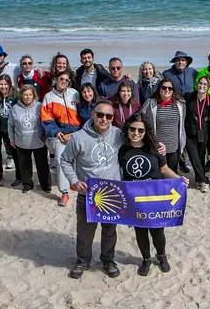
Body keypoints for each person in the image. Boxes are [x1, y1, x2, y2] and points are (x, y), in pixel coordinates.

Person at [59, 100, 126, 279]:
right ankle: (83, 261)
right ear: (93, 115)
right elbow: (65, 160)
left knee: (109, 231)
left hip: (111, 193)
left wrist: (159, 147)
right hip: (88, 194)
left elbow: (139, 141)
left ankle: (108, 260)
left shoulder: (119, 135)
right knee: (85, 232)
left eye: (109, 116)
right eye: (100, 115)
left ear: (113, 118)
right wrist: (74, 181)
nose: (104, 119)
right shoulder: (79, 138)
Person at [119, 113, 188, 276]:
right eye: (133, 129)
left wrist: (179, 180)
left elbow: (164, 169)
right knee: (140, 232)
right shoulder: (122, 150)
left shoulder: (154, 147)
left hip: (155, 199)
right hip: (135, 200)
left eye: (140, 131)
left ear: (146, 132)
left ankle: (161, 255)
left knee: (157, 232)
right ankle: (146, 259)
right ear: (128, 129)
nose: (136, 133)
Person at [41, 71, 82, 206]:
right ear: (56, 80)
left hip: (76, 133)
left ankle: (74, 183)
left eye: (66, 80)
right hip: (60, 135)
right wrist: (56, 132)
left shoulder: (74, 93)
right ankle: (64, 193)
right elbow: (46, 118)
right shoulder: (49, 97)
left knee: (78, 160)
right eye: (61, 79)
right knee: (60, 161)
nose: (64, 81)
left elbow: (83, 112)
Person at [8, 85, 50, 194]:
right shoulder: (15, 108)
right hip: (22, 142)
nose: (27, 97)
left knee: (42, 165)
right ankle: (27, 184)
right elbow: (10, 125)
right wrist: (11, 139)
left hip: (39, 142)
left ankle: (45, 185)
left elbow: (47, 121)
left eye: (30, 94)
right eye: (25, 94)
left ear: (34, 95)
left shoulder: (40, 106)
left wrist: (47, 135)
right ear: (21, 95)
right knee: (24, 165)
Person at [140, 79, 186, 174]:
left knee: (172, 173)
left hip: (174, 147)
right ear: (159, 89)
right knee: (157, 173)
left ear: (173, 90)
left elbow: (182, 125)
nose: (167, 90)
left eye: (170, 88)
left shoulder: (180, 104)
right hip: (157, 147)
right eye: (164, 87)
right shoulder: (150, 103)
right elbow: (140, 119)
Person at [183, 75, 210, 192]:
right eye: (200, 83)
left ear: (208, 87)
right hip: (189, 134)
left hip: (203, 134)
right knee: (194, 158)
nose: (202, 86)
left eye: (205, 84)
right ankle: (204, 181)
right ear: (197, 84)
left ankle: (198, 180)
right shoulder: (189, 97)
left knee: (201, 159)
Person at [0, 75, 19, 179]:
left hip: (14, 130)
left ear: (10, 85)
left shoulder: (15, 96)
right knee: (7, 152)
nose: (3, 86)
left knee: (17, 155)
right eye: (1, 84)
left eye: (5, 84)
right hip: (2, 129)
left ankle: (20, 177)